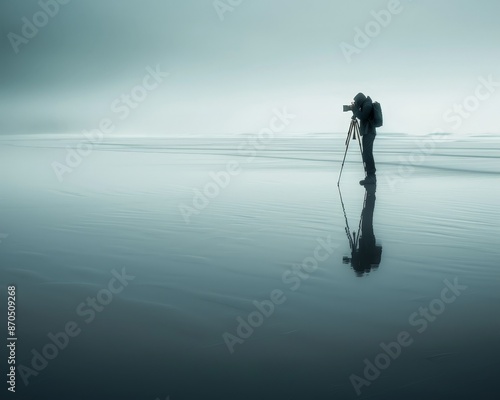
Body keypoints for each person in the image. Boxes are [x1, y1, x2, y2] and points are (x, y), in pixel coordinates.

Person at [351, 92, 376, 185]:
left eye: (356, 102)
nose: (356, 103)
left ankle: (371, 177)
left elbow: (363, 116)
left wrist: (355, 110)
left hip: (369, 132)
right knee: (366, 153)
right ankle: (370, 176)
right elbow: (362, 116)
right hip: (367, 132)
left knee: (367, 154)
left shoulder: (367, 105)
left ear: (359, 100)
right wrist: (355, 112)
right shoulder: (366, 104)